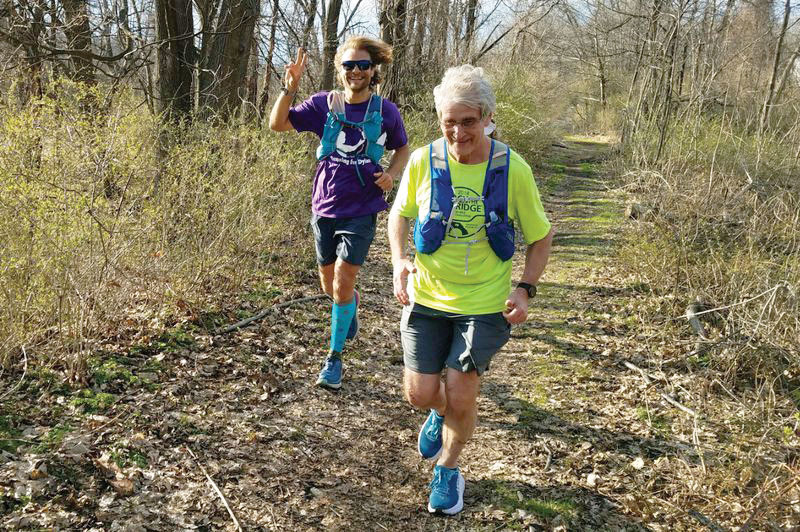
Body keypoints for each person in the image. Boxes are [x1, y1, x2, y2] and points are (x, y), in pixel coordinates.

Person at [388, 65, 553, 515]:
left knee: (462, 392)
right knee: (421, 393)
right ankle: (437, 413)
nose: (459, 131)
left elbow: (540, 236)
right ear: (439, 119)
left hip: (484, 303)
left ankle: (449, 467)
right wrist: (401, 261)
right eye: (450, 121)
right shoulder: (424, 160)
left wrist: (525, 289)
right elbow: (399, 215)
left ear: (487, 117)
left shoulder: (510, 168)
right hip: (427, 297)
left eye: (468, 121)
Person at [270, 37, 409, 390]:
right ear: (340, 69)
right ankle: (349, 306)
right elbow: (278, 124)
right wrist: (290, 86)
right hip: (324, 206)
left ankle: (333, 359)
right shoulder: (324, 105)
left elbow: (403, 147)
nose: (356, 71)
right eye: (349, 65)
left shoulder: (385, 111)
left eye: (363, 65)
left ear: (374, 70)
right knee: (330, 285)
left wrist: (391, 175)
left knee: (342, 281)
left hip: (362, 208)